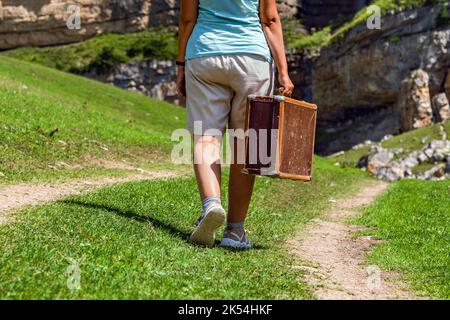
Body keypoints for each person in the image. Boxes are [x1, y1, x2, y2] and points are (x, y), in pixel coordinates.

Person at [176, 0, 294, 249]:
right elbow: (270, 19)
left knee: (205, 137)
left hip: (205, 54)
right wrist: (283, 72)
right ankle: (235, 232)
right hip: (252, 58)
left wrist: (180, 64)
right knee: (245, 144)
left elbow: (187, 19)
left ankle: (212, 204)